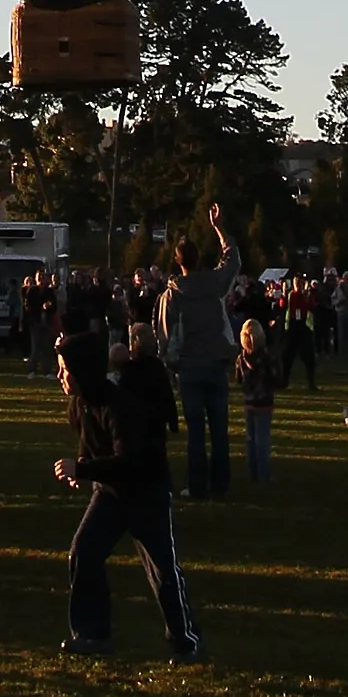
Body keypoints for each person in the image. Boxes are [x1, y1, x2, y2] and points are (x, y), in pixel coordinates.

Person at [54, 326, 201, 661]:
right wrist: (83, 467)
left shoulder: (120, 406)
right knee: (84, 553)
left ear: (82, 371)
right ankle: (92, 635)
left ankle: (185, 640)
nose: (60, 376)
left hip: (146, 491)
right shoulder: (79, 406)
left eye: (65, 370)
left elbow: (129, 460)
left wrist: (85, 470)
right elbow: (91, 447)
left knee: (162, 571)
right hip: (111, 493)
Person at [155, 203, 238, 500]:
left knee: (195, 434)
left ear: (178, 263)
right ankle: (221, 484)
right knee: (219, 430)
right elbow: (233, 260)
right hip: (216, 362)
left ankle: (198, 485)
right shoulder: (214, 284)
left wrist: (170, 361)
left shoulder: (173, 293)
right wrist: (218, 228)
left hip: (190, 365)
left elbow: (165, 333)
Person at [235, 316, 275, 484]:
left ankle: (253, 471)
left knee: (250, 438)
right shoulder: (266, 358)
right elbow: (275, 378)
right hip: (264, 401)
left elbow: (238, 380)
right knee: (262, 439)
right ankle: (263, 473)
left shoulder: (241, 359)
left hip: (249, 401)